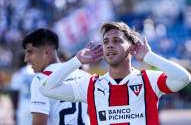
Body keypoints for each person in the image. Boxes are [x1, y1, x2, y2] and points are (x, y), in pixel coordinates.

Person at [40, 22, 191, 125]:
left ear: (131, 48)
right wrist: (76, 61)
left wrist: (149, 57)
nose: (110, 44)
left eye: (117, 40)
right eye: (105, 42)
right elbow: (47, 88)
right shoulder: (90, 85)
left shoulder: (148, 80)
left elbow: (183, 78)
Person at [22, 28, 89, 125]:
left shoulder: (41, 80)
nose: (26, 59)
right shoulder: (83, 75)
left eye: (30, 52)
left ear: (46, 52)